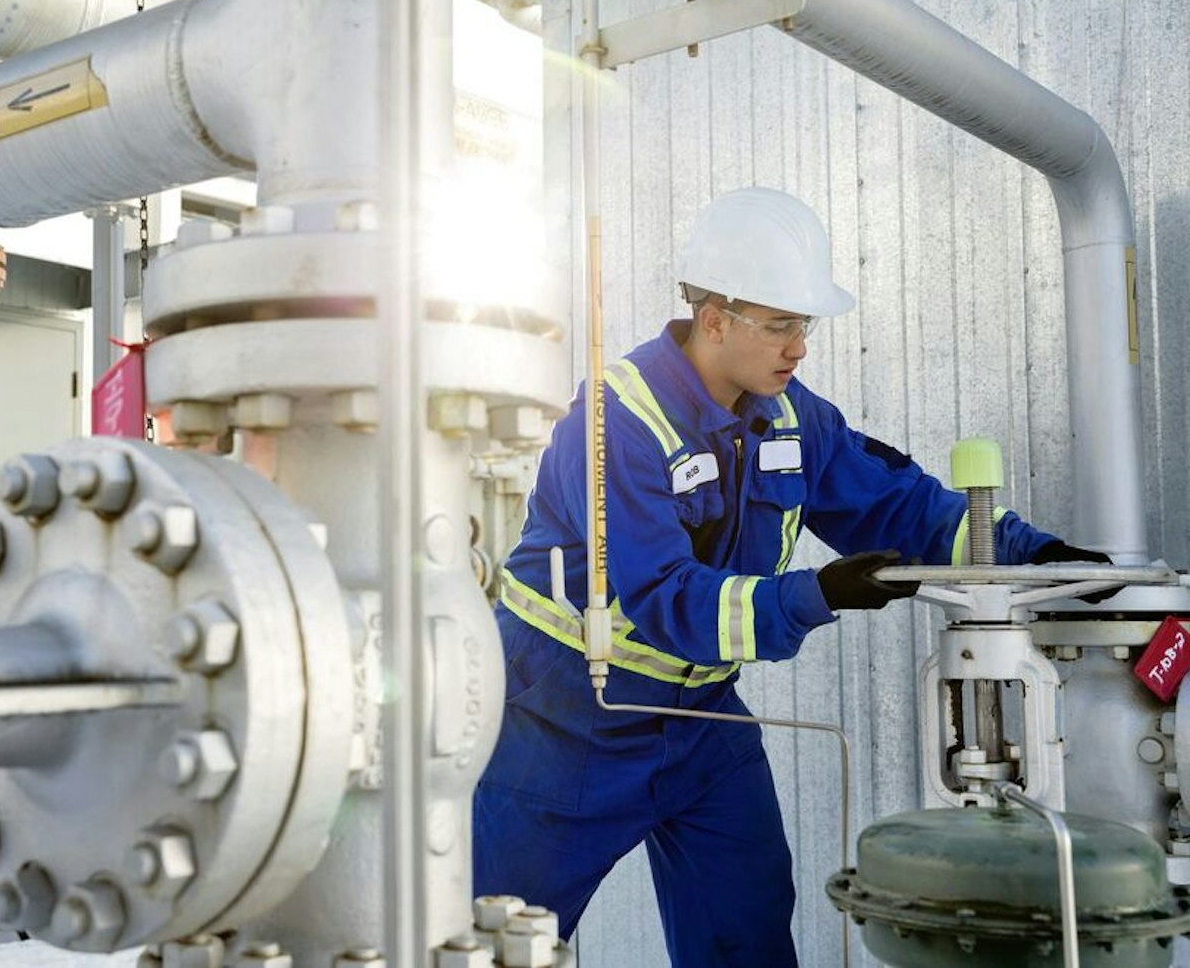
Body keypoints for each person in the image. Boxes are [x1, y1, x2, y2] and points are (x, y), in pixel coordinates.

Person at [471, 187, 1108, 966]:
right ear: (715, 319)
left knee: (749, 932)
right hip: (566, 719)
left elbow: (902, 507)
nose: (798, 346)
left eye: (804, 324)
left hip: (701, 717)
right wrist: (820, 592)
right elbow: (667, 599)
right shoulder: (614, 425)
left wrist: (1040, 556)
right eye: (779, 325)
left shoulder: (790, 415)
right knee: (498, 941)